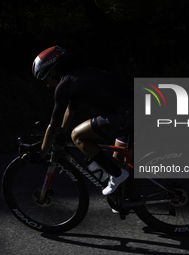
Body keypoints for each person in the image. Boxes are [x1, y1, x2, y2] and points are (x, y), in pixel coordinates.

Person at [25, 45, 133, 195]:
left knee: (77, 135)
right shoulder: (77, 76)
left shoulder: (63, 86)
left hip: (126, 115)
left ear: (54, 72)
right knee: (115, 163)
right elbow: (70, 110)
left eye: (46, 79)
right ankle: (126, 198)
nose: (48, 85)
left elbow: (53, 123)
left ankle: (118, 175)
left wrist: (42, 154)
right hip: (132, 109)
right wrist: (61, 132)